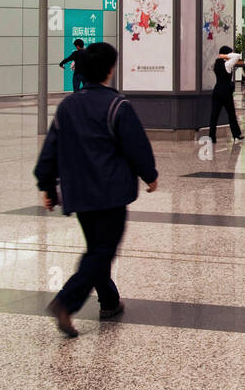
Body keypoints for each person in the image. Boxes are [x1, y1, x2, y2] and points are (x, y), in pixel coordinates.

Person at [35, 42, 158, 338]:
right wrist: (149, 175)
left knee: (97, 249)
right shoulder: (118, 106)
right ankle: (66, 301)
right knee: (103, 251)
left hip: (79, 192)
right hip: (110, 192)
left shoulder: (68, 106)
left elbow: (50, 150)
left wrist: (47, 186)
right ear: (110, 70)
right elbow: (136, 145)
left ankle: (109, 301)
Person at [207, 45, 243, 143]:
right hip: (226, 93)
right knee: (231, 114)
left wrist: (222, 56)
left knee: (214, 115)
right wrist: (225, 55)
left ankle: (212, 136)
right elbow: (237, 56)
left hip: (217, 91)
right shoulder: (226, 64)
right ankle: (236, 134)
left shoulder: (216, 63)